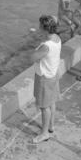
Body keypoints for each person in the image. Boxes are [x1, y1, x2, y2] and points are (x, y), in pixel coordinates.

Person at [31, 15, 61, 143]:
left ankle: (44, 134)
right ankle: (51, 126)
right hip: (53, 75)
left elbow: (33, 58)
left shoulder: (46, 46)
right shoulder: (57, 38)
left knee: (44, 107)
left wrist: (36, 49)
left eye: (40, 26)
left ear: (44, 29)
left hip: (44, 78)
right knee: (51, 102)